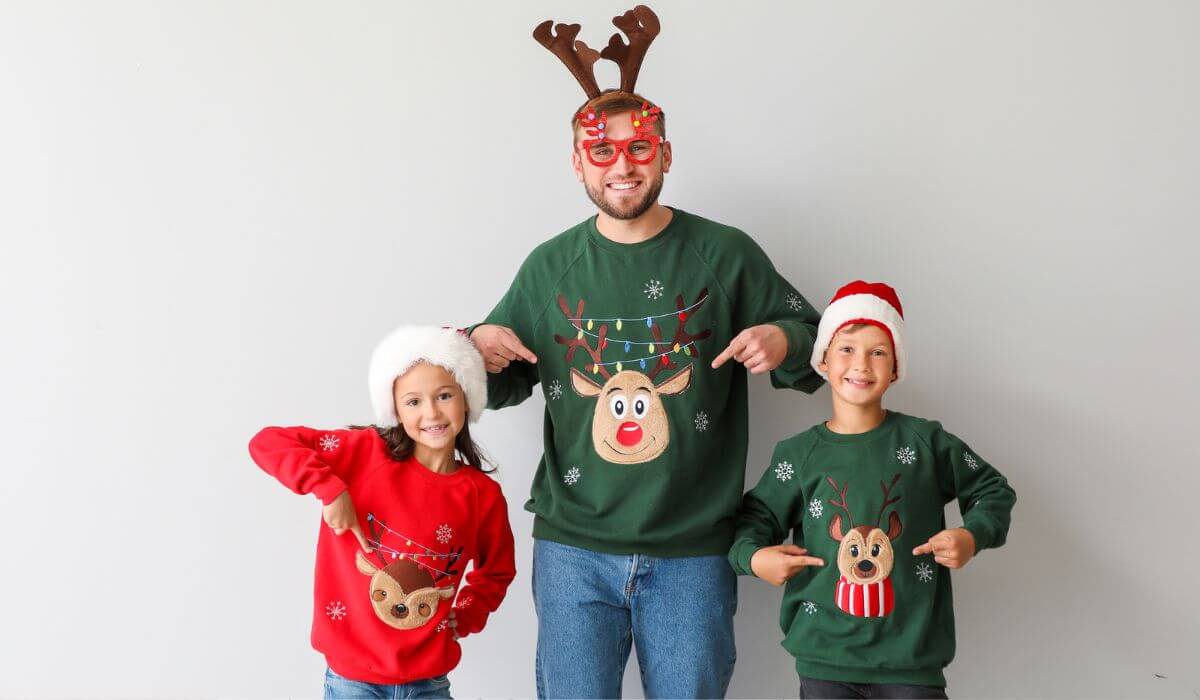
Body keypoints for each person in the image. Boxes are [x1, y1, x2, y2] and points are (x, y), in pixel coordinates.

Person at [469, 6, 823, 697]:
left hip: (693, 548)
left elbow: (820, 347)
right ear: (578, 163)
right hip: (573, 547)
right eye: (603, 151)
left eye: (640, 147)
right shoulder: (551, 267)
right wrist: (476, 344)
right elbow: (497, 377)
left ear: (665, 152)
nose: (622, 166)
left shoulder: (725, 254)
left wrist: (782, 338)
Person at [729, 281, 1017, 699]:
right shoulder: (799, 454)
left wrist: (972, 535)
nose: (861, 364)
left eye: (878, 352)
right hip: (824, 660)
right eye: (846, 349)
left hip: (911, 663)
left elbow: (992, 490)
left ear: (896, 368)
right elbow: (754, 518)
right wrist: (754, 558)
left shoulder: (925, 443)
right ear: (823, 361)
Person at [249, 326, 515, 699]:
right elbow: (268, 442)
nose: (431, 413)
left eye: (444, 396)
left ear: (466, 399)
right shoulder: (364, 453)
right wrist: (330, 490)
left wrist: (468, 613)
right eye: (413, 402)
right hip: (352, 682)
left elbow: (498, 569)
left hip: (429, 684)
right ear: (395, 409)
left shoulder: (481, 495)